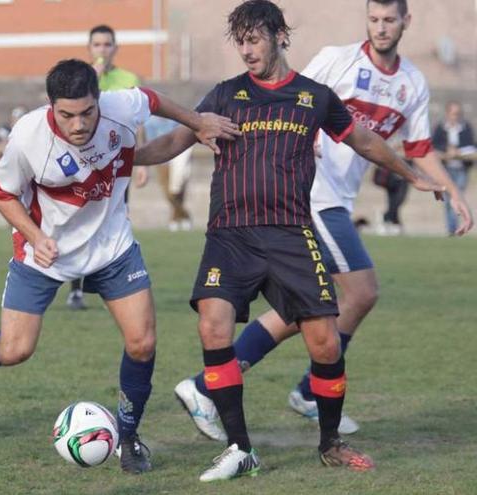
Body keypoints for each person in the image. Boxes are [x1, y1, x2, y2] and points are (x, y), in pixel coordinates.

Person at [134, 0, 446, 480]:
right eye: (239, 41)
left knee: (324, 344)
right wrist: (127, 158)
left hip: (290, 235)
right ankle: (241, 449)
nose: (246, 50)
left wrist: (412, 175)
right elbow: (176, 140)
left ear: (280, 35)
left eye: (254, 38)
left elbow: (363, 141)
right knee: (213, 328)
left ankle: (330, 443)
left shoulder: (314, 96)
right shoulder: (225, 94)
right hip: (230, 235)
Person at [0, 58, 240, 474]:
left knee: (142, 342)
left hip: (111, 246)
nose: (79, 124)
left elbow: (153, 101)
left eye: (87, 112)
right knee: (17, 349)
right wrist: (35, 236)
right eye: (67, 115)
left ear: (99, 100)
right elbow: (1, 193)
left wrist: (197, 122)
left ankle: (129, 436)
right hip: (45, 253)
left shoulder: (120, 107)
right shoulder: (28, 137)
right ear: (51, 107)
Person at [65, 24, 148, 311]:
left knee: (116, 219)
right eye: (97, 45)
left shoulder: (128, 78)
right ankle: (76, 289)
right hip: (85, 164)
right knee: (79, 224)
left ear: (115, 48)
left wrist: (141, 161)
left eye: (107, 44)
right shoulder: (79, 79)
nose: (102, 50)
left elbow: (136, 121)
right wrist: (93, 80)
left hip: (118, 165)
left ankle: (114, 285)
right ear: (90, 49)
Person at [143, 115, 193, 231]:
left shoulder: (173, 121)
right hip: (160, 160)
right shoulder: (150, 123)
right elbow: (151, 141)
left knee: (177, 190)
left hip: (174, 159)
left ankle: (175, 219)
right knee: (167, 192)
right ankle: (185, 215)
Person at [432, 101, 474, 235]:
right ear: (447, 113)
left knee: (458, 195)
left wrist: (458, 152)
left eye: (458, 114)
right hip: (445, 170)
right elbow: (434, 146)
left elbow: (472, 146)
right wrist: (446, 151)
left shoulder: (466, 127)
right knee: (449, 199)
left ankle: (455, 228)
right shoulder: (440, 128)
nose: (455, 116)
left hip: (461, 168)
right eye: (453, 113)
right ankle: (452, 228)